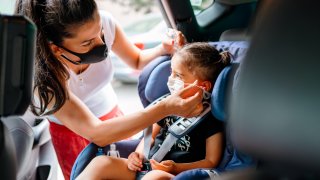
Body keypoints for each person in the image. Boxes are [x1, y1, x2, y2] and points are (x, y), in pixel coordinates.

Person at [14, 0, 204, 179]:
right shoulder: (42, 79)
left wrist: (162, 49)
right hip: (72, 133)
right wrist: (165, 108)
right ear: (56, 49)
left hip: (115, 117)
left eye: (100, 32)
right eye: (87, 43)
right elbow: (97, 133)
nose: (100, 43)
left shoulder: (103, 22)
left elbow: (136, 60)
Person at [76, 42, 232, 180]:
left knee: (154, 177)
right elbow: (149, 137)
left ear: (203, 87)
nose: (171, 79)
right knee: (101, 162)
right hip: (146, 166)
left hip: (172, 174)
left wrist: (176, 168)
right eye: (171, 72)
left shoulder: (210, 119)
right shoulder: (167, 104)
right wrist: (137, 155)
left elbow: (212, 161)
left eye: (178, 75)